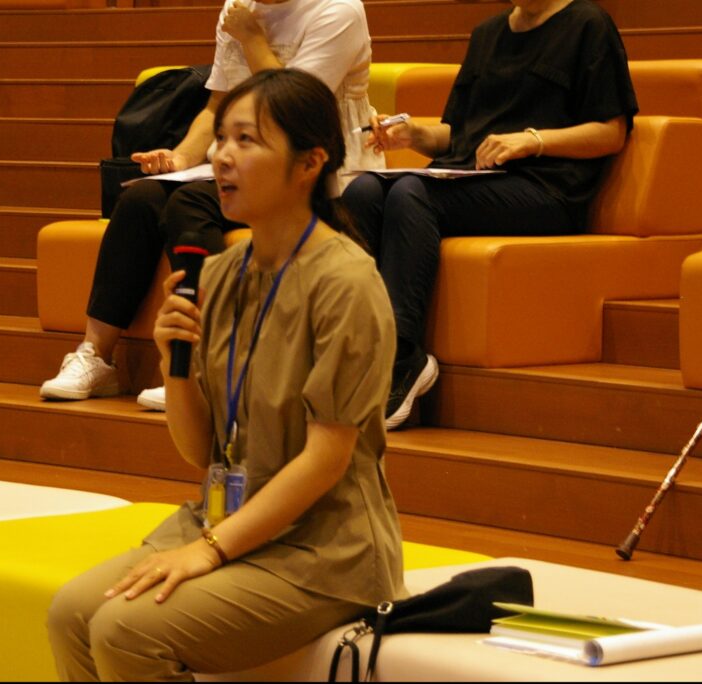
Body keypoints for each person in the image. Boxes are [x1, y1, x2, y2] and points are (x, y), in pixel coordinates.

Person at [45, 68, 405, 682]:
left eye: (247, 140)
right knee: (71, 614)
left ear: (309, 163)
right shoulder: (219, 274)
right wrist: (174, 366)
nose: (222, 157)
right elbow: (201, 450)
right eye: (221, 139)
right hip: (225, 518)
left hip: (322, 551)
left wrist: (210, 550)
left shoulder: (346, 283)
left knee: (125, 631)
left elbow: (327, 460)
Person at [40, 0, 382, 408]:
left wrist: (252, 37)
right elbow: (217, 106)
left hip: (316, 169)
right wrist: (179, 159)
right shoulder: (238, 9)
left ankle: (208, 360)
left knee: (190, 204)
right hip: (246, 162)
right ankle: (97, 355)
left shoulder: (338, 11)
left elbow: (295, 111)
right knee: (141, 197)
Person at [342, 0, 638, 430]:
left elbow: (611, 132)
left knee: (410, 194)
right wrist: (413, 134)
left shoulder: (587, 24)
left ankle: (403, 357)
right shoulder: (487, 34)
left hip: (545, 187)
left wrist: (533, 140)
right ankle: (359, 351)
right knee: (364, 191)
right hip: (472, 178)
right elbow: (458, 134)